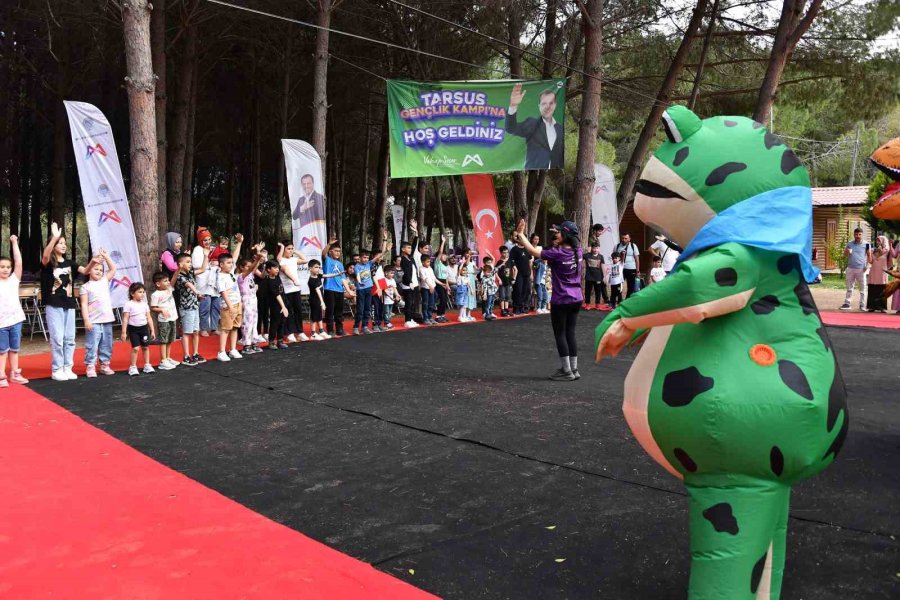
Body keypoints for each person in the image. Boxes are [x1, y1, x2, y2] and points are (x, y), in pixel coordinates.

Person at [514, 220, 583, 380]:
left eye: (558, 232)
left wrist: (521, 233)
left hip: (561, 299)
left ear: (565, 235)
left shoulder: (557, 253)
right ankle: (574, 369)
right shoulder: (577, 251)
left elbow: (532, 250)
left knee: (560, 334)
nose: (555, 234)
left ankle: (566, 371)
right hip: (576, 297)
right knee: (570, 333)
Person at [41, 222, 82, 381]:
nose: (63, 245)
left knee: (69, 338)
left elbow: (85, 270)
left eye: (65, 243)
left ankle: (67, 367)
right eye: (60, 243)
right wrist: (54, 238)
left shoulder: (70, 263)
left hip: (69, 303)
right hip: (53, 303)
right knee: (57, 338)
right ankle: (57, 369)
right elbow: (45, 256)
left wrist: (98, 260)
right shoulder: (48, 263)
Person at [505, 83, 564, 169]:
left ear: (555, 105)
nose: (547, 107)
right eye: (544, 104)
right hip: (533, 173)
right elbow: (511, 128)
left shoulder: (561, 129)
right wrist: (513, 105)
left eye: (551, 103)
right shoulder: (532, 123)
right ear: (539, 106)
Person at [79, 249, 118, 377]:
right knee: (92, 344)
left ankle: (105, 364)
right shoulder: (85, 287)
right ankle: (90, 365)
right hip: (93, 321)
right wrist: (86, 320)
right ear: (89, 270)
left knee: (106, 343)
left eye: (101, 270)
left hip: (106, 319)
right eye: (96, 269)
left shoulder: (104, 281)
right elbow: (84, 304)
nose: (99, 272)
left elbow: (113, 269)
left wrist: (106, 257)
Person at [0, 236, 28, 386]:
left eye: (7, 267)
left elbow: (19, 262)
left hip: (16, 320)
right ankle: (1, 375)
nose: (5, 269)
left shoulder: (13, 280)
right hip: (1, 323)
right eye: (2, 266)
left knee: (15, 349)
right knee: (2, 351)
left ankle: (15, 373)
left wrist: (15, 243)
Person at [172, 252, 206, 366]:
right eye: (187, 262)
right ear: (180, 264)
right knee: (187, 332)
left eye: (190, 261)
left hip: (195, 306)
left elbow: (202, 269)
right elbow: (189, 285)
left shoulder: (190, 273)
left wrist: (206, 255)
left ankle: (195, 353)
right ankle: (186, 356)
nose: (190, 264)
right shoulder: (180, 277)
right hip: (186, 308)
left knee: (196, 331)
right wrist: (198, 293)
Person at [121, 282, 156, 376]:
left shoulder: (145, 304)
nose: (142, 294)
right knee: (135, 348)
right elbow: (125, 319)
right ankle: (133, 367)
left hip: (144, 329)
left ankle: (147, 365)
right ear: (132, 293)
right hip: (133, 330)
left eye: (143, 292)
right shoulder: (128, 304)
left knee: (145, 347)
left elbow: (149, 318)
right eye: (140, 292)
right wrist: (124, 332)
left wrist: (152, 330)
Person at [277, 240, 309, 342]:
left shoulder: (294, 259)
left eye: (292, 248)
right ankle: (289, 333)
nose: (290, 251)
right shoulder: (281, 260)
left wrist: (295, 251)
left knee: (298, 311)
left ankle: (300, 332)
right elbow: (283, 267)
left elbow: (305, 260)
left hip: (296, 289)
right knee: (289, 312)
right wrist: (282, 247)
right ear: (284, 250)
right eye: (288, 249)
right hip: (286, 290)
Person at [321, 238, 354, 336]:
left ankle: (339, 329)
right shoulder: (327, 260)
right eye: (336, 251)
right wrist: (329, 244)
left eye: (339, 251)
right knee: (330, 311)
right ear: (331, 252)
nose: (338, 253)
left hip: (339, 290)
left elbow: (343, 279)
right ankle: (330, 330)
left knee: (339, 311)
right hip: (329, 289)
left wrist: (349, 291)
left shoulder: (340, 264)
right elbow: (323, 254)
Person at [237, 244, 266, 353]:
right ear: (241, 267)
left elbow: (254, 268)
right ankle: (246, 344)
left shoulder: (250, 275)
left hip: (253, 299)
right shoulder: (241, 276)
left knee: (254, 321)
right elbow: (251, 269)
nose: (250, 268)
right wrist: (257, 258)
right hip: (246, 299)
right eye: (247, 266)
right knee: (247, 322)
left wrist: (258, 255)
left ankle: (254, 342)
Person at [216, 253, 244, 361]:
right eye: (228, 263)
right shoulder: (220, 277)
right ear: (221, 264)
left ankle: (233, 349)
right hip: (227, 306)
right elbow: (223, 293)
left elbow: (235, 256)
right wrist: (230, 306)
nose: (231, 265)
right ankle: (222, 351)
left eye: (231, 263)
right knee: (226, 329)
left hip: (237, 304)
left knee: (235, 328)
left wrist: (239, 243)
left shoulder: (231, 273)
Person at [192, 227, 219, 337]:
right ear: (200, 241)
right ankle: (203, 328)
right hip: (203, 281)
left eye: (209, 239)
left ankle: (214, 328)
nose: (207, 242)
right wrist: (208, 263)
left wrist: (216, 262)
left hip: (215, 281)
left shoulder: (214, 248)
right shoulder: (197, 250)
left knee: (216, 306)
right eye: (205, 240)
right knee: (205, 307)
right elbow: (196, 265)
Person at [150, 271, 180, 370]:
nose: (168, 282)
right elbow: (153, 308)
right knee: (163, 340)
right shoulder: (155, 294)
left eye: (168, 280)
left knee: (170, 339)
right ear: (158, 284)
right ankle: (163, 361)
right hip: (163, 320)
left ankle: (167, 357)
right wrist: (162, 309)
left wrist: (179, 268)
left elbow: (175, 277)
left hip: (172, 318)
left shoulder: (169, 289)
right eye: (165, 281)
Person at [353, 246, 384, 334]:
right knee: (360, 309)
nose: (366, 259)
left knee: (367, 308)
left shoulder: (369, 264)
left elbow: (378, 256)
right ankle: (356, 327)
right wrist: (359, 282)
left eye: (367, 257)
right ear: (360, 258)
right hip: (361, 290)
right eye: (364, 257)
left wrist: (386, 247)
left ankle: (365, 326)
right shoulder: (357, 267)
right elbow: (358, 275)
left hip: (369, 289)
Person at [841, 227, 871, 310]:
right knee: (849, 287)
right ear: (854, 234)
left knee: (863, 288)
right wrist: (847, 252)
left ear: (862, 235)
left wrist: (867, 266)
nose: (857, 236)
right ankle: (847, 304)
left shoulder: (867, 244)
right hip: (850, 268)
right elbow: (844, 255)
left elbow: (869, 256)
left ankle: (862, 305)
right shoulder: (850, 243)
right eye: (856, 234)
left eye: (859, 234)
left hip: (861, 269)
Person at [263, 260, 290, 349]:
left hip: (283, 303)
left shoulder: (277, 277)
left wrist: (285, 305)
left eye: (278, 267)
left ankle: (280, 340)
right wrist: (283, 307)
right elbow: (277, 295)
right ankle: (271, 342)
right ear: (268, 270)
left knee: (282, 322)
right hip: (275, 305)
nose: (277, 269)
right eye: (274, 268)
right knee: (275, 323)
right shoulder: (269, 281)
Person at [867, 235, 891, 312]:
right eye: (877, 240)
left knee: (882, 290)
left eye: (879, 240)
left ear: (883, 241)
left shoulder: (886, 250)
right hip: (874, 272)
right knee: (873, 289)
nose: (877, 242)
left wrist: (879, 250)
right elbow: (870, 261)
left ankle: (882, 307)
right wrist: (869, 254)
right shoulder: (874, 250)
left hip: (882, 273)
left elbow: (881, 253)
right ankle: (872, 306)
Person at [399, 239, 419, 328]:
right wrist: (409, 282)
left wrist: (416, 234)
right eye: (408, 248)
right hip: (408, 284)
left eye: (410, 248)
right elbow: (406, 273)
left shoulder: (410, 258)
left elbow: (414, 247)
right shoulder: (403, 259)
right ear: (403, 249)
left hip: (414, 283)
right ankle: (407, 320)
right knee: (408, 302)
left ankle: (411, 319)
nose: (410, 249)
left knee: (413, 303)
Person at [510, 235, 533, 314]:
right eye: (522, 239)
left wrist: (531, 273)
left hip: (526, 273)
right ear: (518, 240)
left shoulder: (527, 249)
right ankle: (516, 308)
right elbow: (511, 261)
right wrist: (514, 273)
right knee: (518, 290)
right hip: (518, 274)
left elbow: (530, 262)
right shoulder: (514, 249)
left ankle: (522, 307)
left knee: (525, 291)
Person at [613, 232, 640, 298]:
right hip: (620, 269)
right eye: (622, 238)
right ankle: (619, 300)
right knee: (618, 285)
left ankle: (627, 300)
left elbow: (637, 259)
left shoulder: (633, 246)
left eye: (626, 238)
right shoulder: (617, 246)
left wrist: (637, 270)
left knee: (631, 286)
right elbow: (614, 258)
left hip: (631, 269)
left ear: (629, 239)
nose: (624, 240)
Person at [584, 243, 609, 310]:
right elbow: (579, 256)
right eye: (594, 248)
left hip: (598, 277)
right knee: (587, 291)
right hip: (589, 277)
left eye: (597, 248)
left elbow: (603, 266)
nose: (595, 250)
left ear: (599, 249)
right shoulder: (587, 255)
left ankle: (597, 304)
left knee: (598, 291)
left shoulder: (601, 256)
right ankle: (587, 304)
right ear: (591, 248)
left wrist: (604, 276)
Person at [433, 237, 451, 323]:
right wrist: (443, 242)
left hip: (444, 282)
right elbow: (440, 252)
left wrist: (447, 286)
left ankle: (442, 315)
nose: (445, 256)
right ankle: (438, 316)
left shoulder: (445, 265)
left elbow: (446, 277)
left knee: (445, 300)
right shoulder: (437, 262)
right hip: (438, 281)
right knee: (442, 299)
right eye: (444, 255)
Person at [418, 254, 438, 325]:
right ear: (422, 262)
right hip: (425, 288)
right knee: (425, 303)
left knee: (431, 303)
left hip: (432, 287)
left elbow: (434, 278)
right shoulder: (421, 269)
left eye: (429, 262)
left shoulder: (430, 268)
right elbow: (424, 279)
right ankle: (425, 318)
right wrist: (430, 286)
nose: (429, 263)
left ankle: (430, 317)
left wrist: (442, 284)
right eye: (427, 262)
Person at [495, 246, 513, 316]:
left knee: (507, 296)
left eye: (507, 252)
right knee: (502, 296)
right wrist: (499, 279)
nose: (506, 254)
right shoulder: (499, 262)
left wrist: (513, 278)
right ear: (501, 253)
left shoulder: (509, 261)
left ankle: (506, 309)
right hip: (502, 282)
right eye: (504, 253)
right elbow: (495, 271)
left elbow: (514, 269)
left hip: (508, 281)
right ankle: (502, 310)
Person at [380, 265, 399, 329]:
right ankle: (386, 323)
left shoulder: (393, 280)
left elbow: (394, 288)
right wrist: (390, 297)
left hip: (391, 299)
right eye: (391, 273)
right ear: (386, 273)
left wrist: (397, 295)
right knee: (386, 312)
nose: (392, 275)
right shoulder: (384, 280)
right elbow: (384, 290)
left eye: (393, 273)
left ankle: (388, 322)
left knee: (390, 312)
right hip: (386, 299)